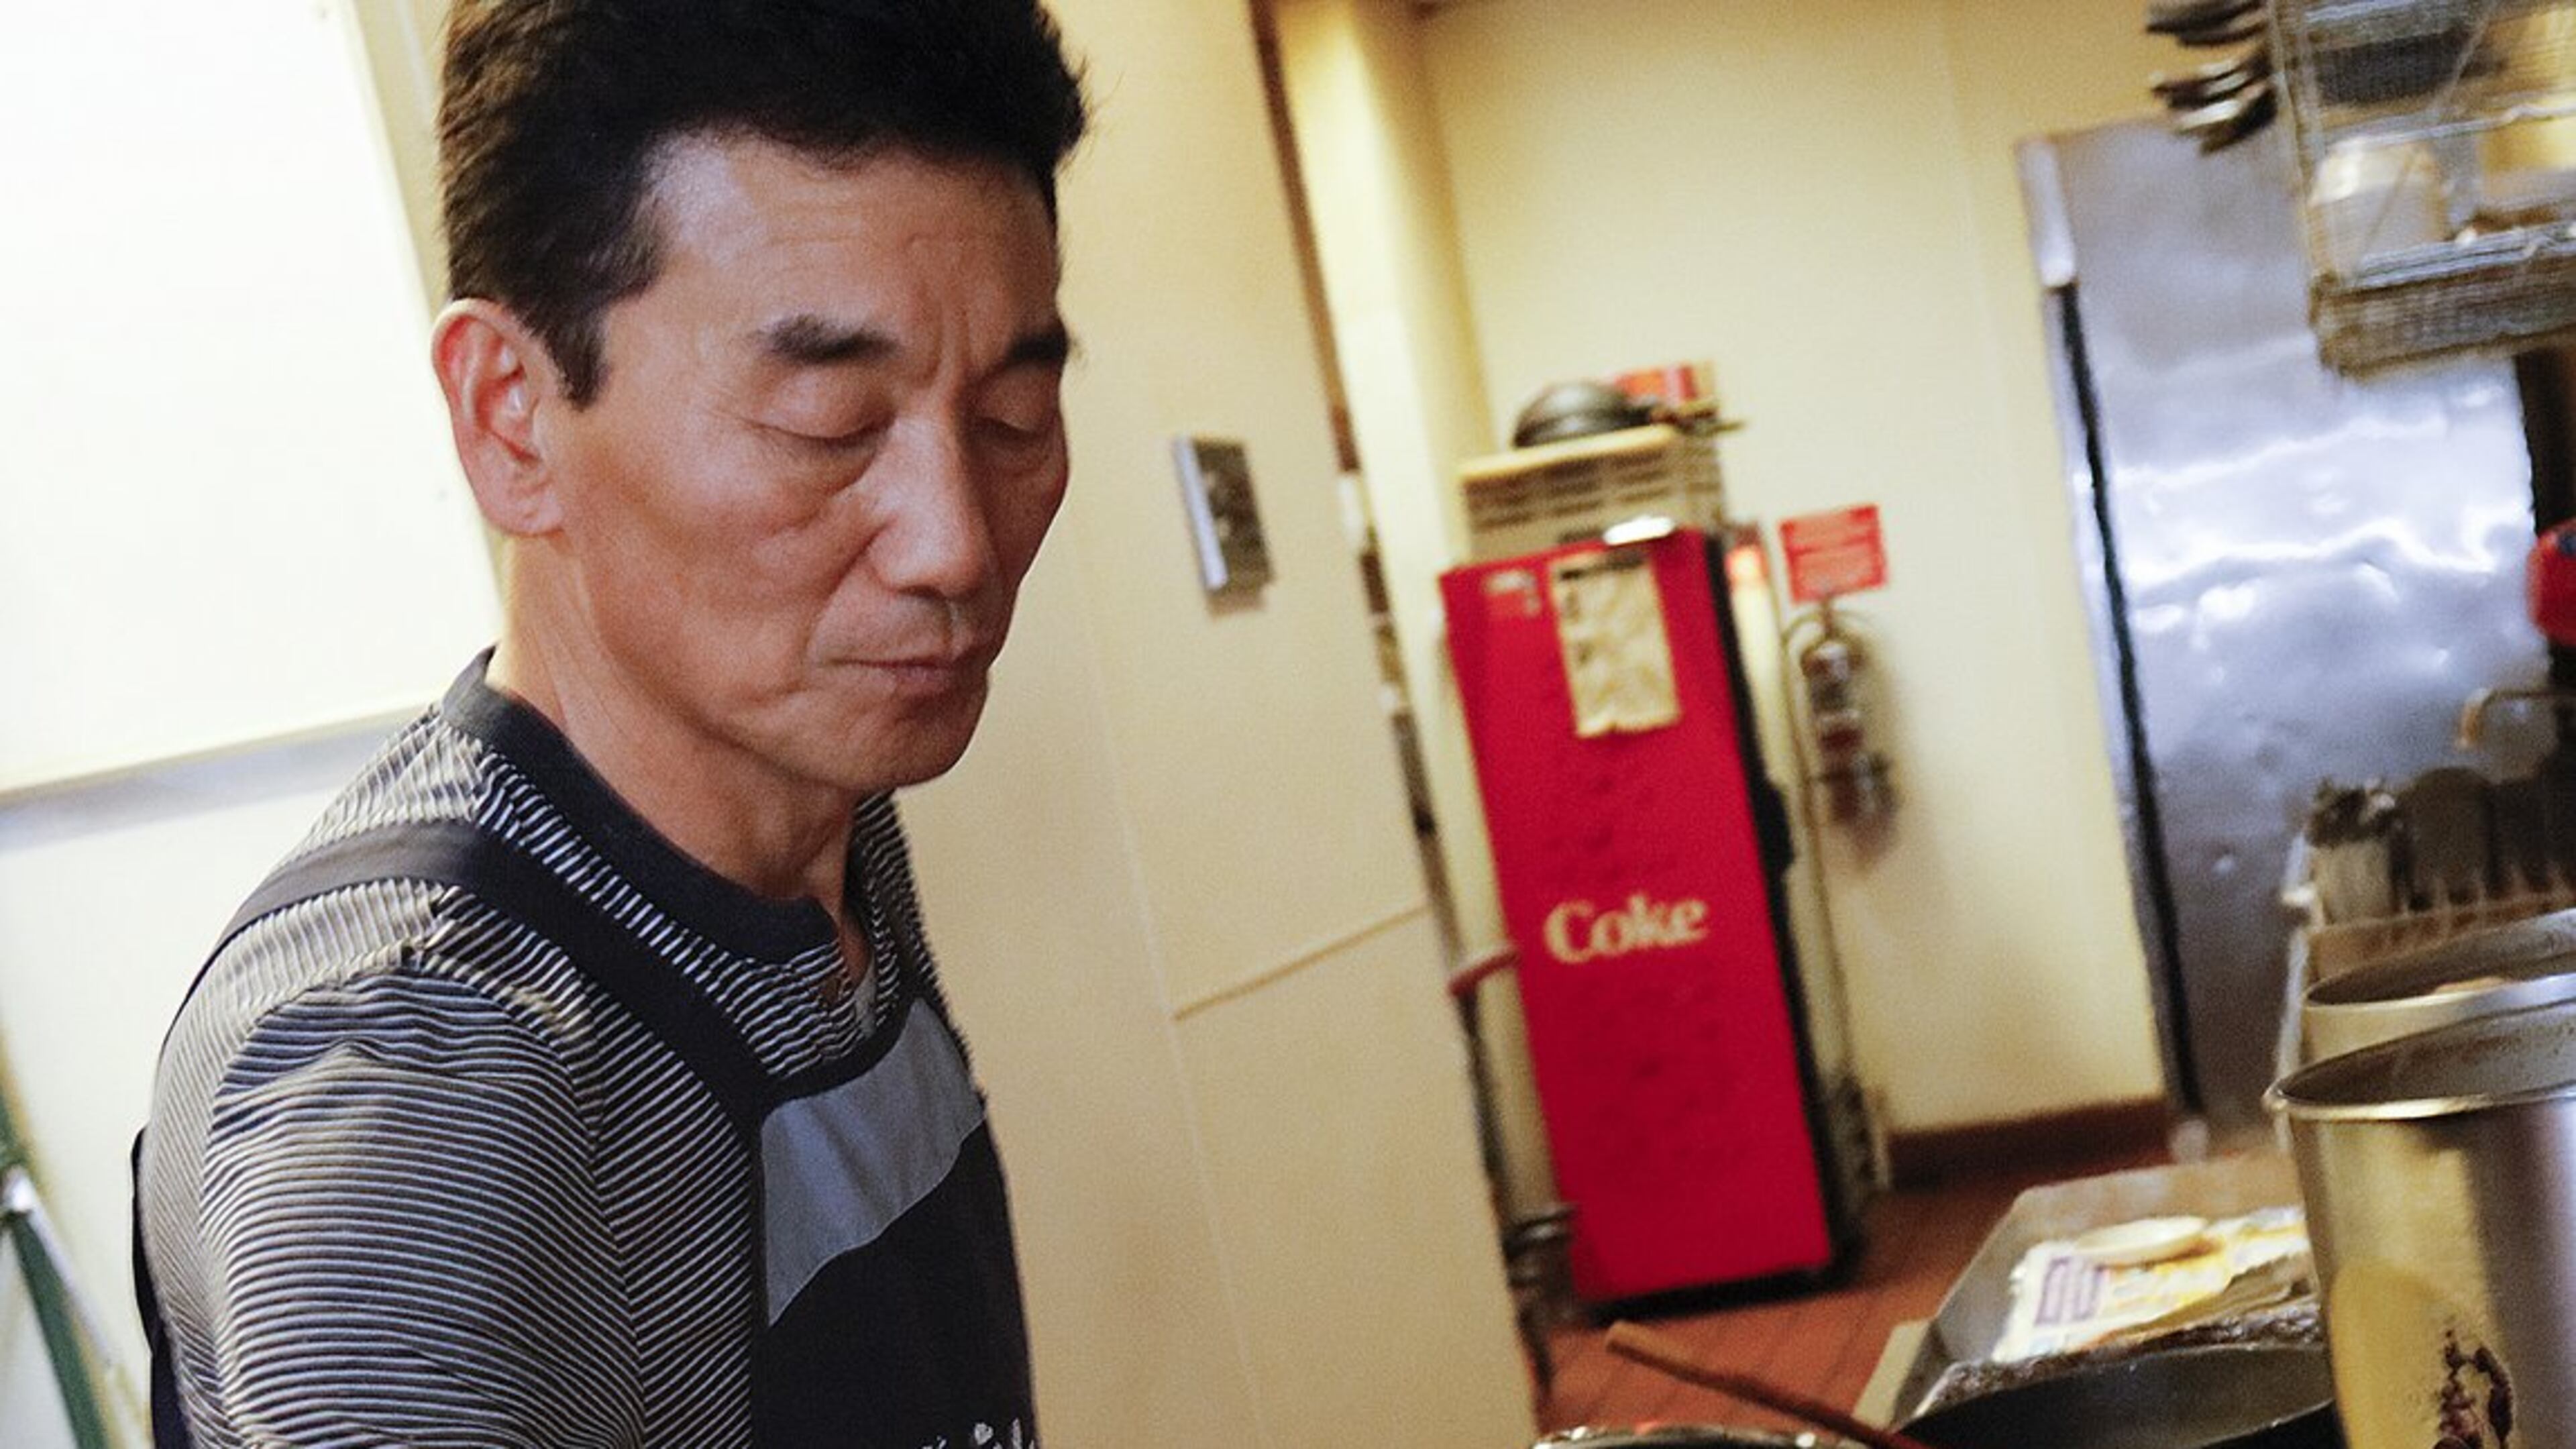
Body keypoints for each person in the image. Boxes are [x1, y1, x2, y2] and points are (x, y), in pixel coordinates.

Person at [132, 2, 1087, 1444]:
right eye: (831, 424)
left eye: (1012, 417)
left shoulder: (811, 799)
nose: (954, 544)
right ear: (511, 416)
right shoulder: (413, 1095)